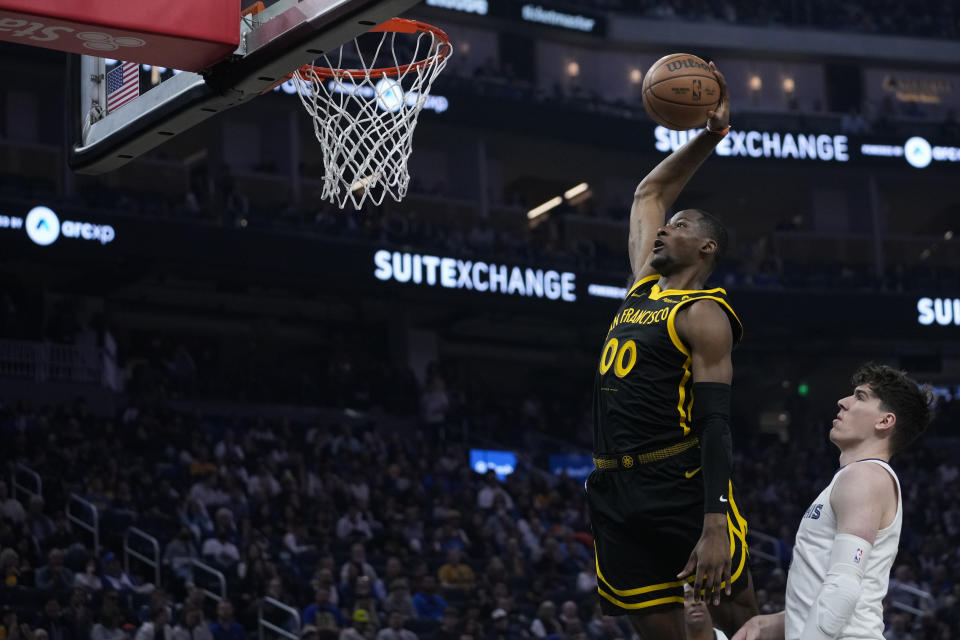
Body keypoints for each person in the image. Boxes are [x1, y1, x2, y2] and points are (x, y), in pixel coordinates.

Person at [585, 61, 756, 639]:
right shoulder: (641, 285)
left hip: (678, 484)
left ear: (706, 245)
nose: (662, 230)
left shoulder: (704, 313)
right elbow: (650, 190)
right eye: (664, 227)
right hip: (613, 486)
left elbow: (715, 424)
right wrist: (709, 135)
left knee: (742, 621)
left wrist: (714, 521)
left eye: (677, 226)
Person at [732, 364, 933, 640]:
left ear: (885, 421)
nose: (843, 401)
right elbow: (841, 588)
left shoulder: (864, 476)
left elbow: (844, 585)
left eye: (860, 397)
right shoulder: (858, 477)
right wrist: (777, 623)